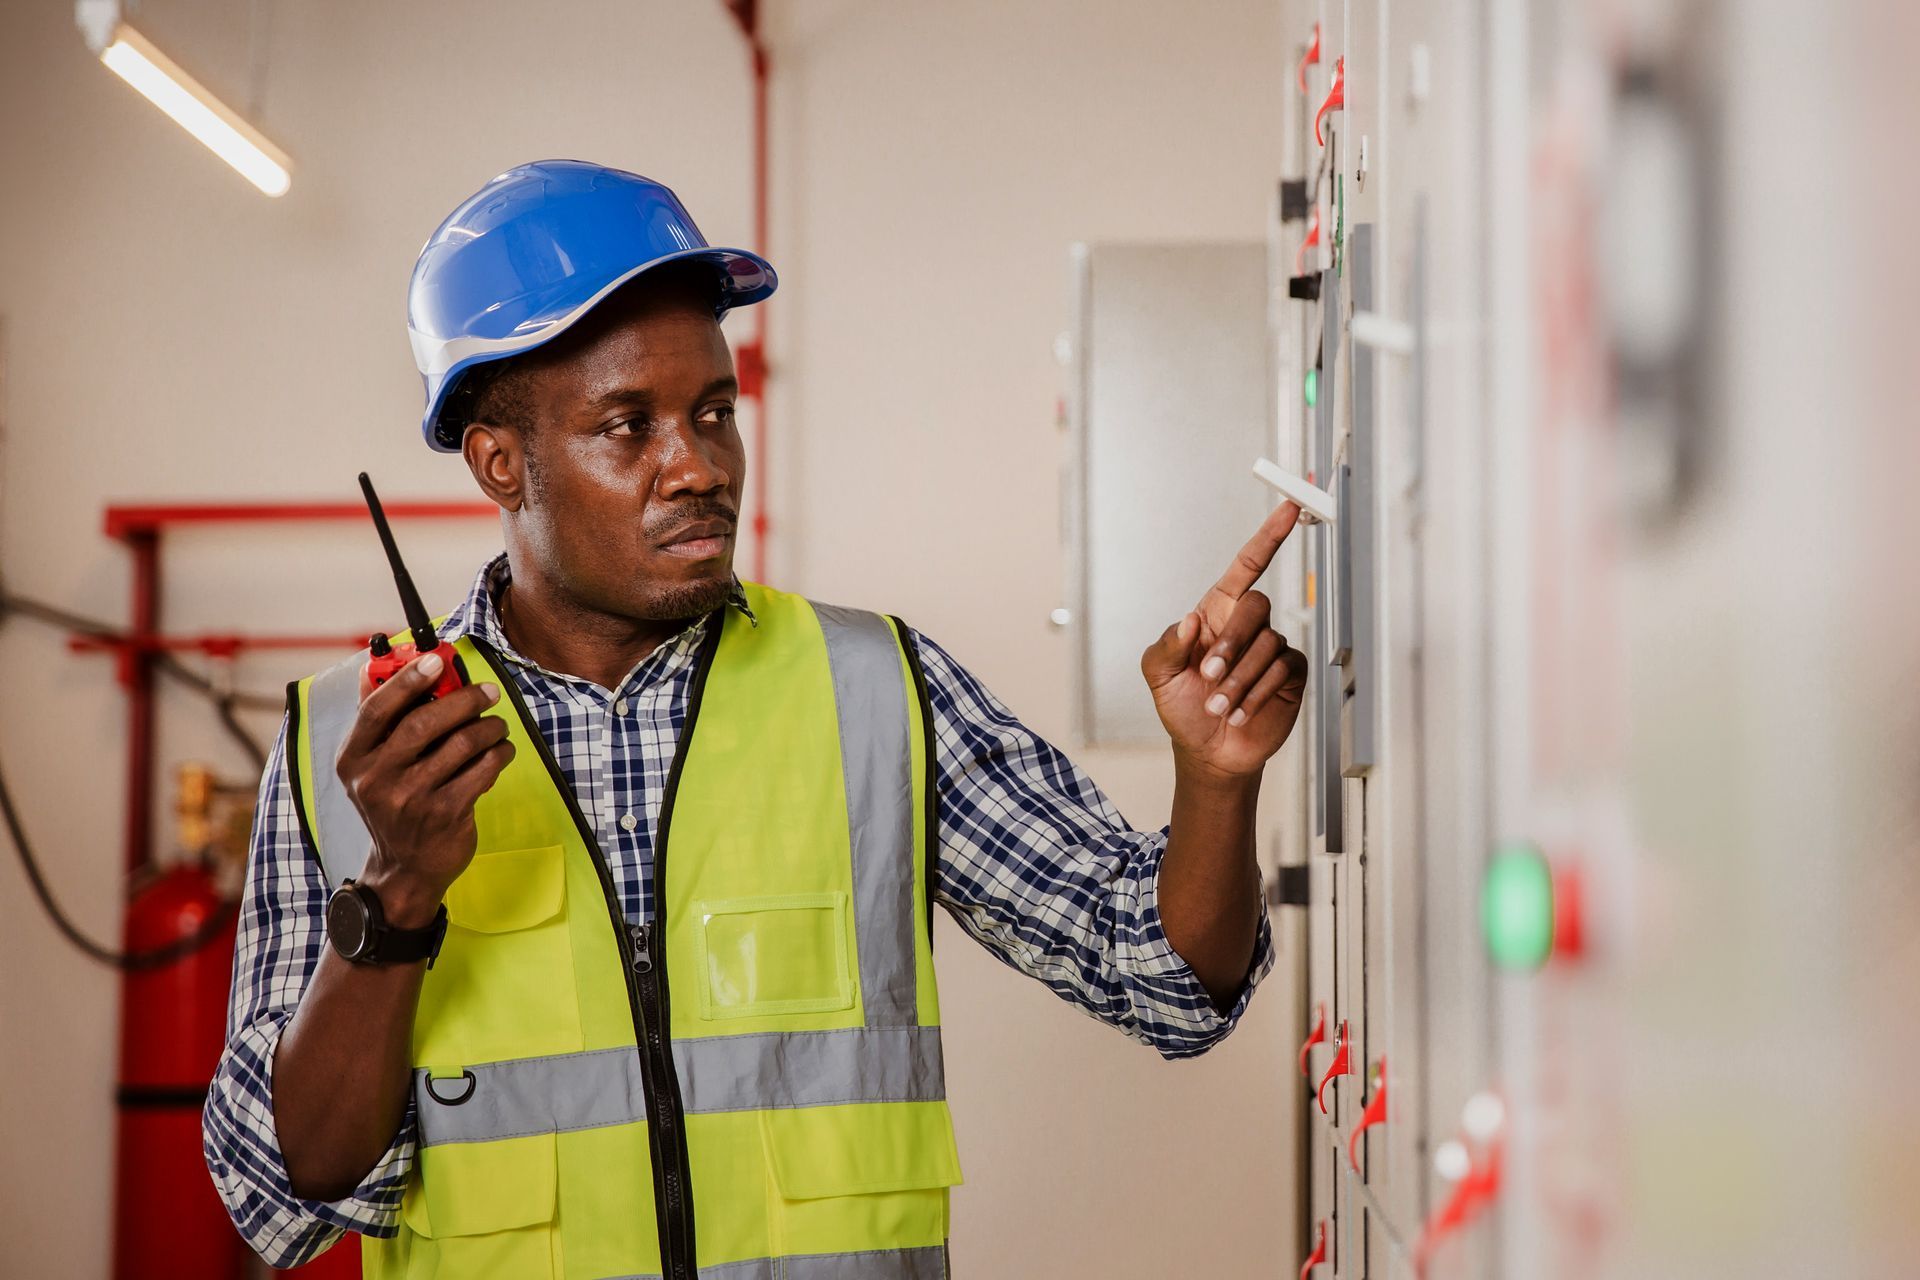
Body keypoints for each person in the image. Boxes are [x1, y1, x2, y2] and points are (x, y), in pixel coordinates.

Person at [202, 160, 1309, 1279]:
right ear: (502, 462)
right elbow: (283, 1196)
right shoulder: (352, 747)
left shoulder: (875, 688)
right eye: (628, 426)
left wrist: (1215, 780)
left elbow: (1166, 982)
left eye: (714, 413)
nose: (699, 467)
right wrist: (396, 892)